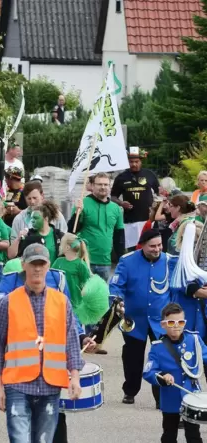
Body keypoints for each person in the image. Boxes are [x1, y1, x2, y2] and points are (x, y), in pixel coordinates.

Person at [0, 244, 84, 443]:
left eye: (41, 264)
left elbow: (72, 342)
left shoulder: (62, 302)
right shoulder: (9, 302)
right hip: (17, 384)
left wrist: (74, 377)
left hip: (50, 385)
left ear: (48, 265)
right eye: (33, 264)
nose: (37, 269)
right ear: (24, 265)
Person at [110, 229, 171, 406]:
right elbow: (116, 286)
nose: (157, 249)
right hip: (134, 320)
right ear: (142, 245)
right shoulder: (127, 261)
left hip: (160, 321)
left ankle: (161, 397)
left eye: (159, 245)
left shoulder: (169, 261)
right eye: (152, 246)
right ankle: (130, 390)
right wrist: (117, 300)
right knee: (132, 357)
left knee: (162, 358)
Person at [143, 302, 207, 443]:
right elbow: (148, 371)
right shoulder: (157, 348)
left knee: (193, 435)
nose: (176, 326)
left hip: (191, 396)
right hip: (170, 397)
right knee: (169, 434)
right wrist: (162, 376)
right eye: (171, 322)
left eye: (180, 322)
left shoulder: (194, 340)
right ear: (163, 325)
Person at [68, 172, 125, 281]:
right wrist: (77, 214)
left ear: (110, 186)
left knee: (101, 295)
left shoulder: (116, 208)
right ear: (92, 186)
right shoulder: (83, 203)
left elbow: (119, 237)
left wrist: (120, 259)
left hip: (105, 262)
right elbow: (71, 231)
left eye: (106, 184)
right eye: (99, 184)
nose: (103, 187)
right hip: (85, 260)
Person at [111, 147, 160, 250]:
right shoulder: (121, 177)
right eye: (131, 162)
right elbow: (113, 196)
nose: (134, 164)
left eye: (136, 161)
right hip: (130, 221)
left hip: (148, 219)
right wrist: (121, 203)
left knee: (150, 247)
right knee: (133, 250)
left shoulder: (150, 174)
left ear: (141, 161)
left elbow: (158, 192)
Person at [52, 233, 92, 311]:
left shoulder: (80, 264)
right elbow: (51, 277)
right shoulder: (58, 261)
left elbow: (87, 285)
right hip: (59, 303)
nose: (59, 246)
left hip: (75, 306)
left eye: (61, 244)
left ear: (67, 247)